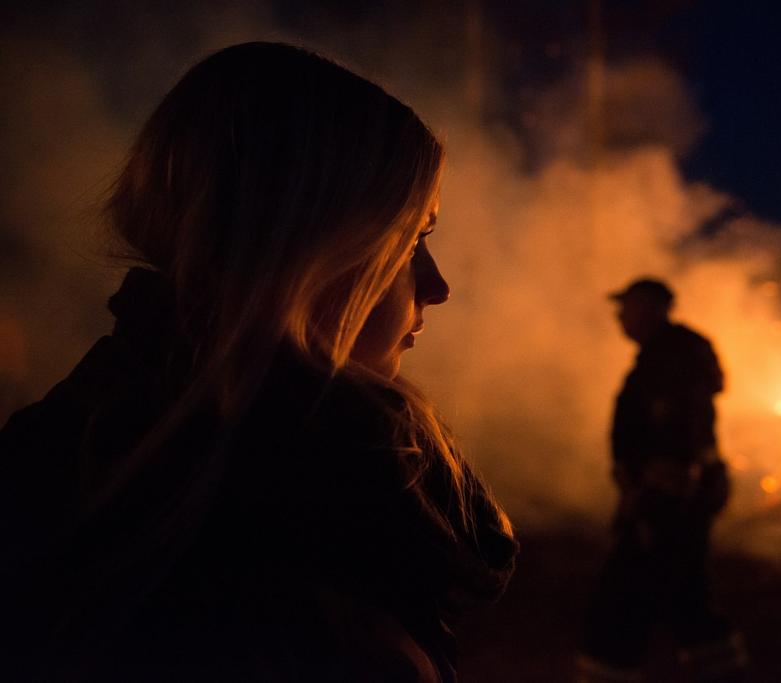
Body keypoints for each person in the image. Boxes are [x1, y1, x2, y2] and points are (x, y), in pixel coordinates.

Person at [0, 42, 516, 682]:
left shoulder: (83, 453)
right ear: (305, 251)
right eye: (412, 240)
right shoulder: (286, 525)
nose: (436, 286)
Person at [579, 278, 745, 682]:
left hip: (667, 502)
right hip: (669, 498)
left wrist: (654, 495)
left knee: (623, 600)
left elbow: (677, 429)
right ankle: (722, 671)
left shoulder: (671, 359)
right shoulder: (665, 355)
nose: (620, 316)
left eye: (627, 307)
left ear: (652, 308)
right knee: (683, 600)